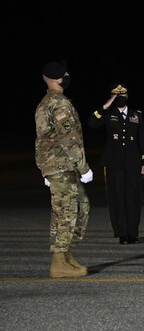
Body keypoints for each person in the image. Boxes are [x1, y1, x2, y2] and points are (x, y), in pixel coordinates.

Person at [35, 60, 93, 278]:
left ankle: (65, 254)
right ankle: (59, 261)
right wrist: (83, 167)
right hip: (63, 165)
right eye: (64, 74)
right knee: (67, 211)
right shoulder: (58, 104)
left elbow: (42, 138)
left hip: (58, 166)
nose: (68, 76)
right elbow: (69, 139)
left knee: (78, 208)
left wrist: (44, 169)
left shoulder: (46, 103)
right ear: (56, 78)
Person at [88, 83, 144, 245]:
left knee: (133, 197)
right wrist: (107, 104)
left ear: (127, 97)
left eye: (122, 96)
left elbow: (142, 139)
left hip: (133, 162)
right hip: (114, 162)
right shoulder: (109, 114)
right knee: (117, 197)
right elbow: (92, 122)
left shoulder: (137, 115)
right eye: (116, 96)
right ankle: (122, 233)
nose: (120, 99)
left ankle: (133, 233)